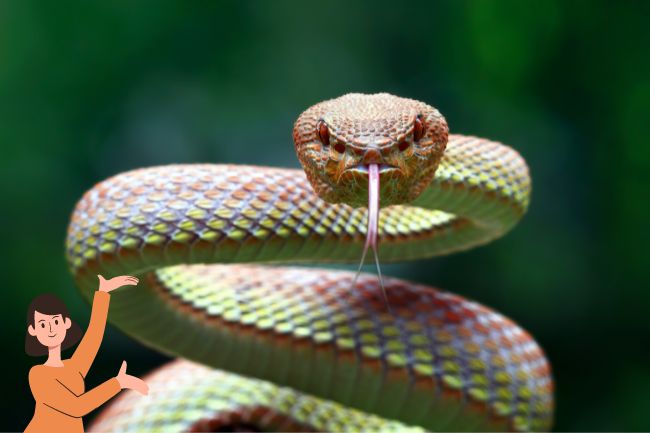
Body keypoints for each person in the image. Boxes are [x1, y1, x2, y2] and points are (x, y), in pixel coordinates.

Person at [24, 275, 148, 433]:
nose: (50, 329)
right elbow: (76, 407)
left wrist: (103, 293)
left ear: (66, 323)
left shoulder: (72, 367)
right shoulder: (38, 375)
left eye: (55, 322)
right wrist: (117, 383)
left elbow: (93, 338)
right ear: (33, 330)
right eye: (42, 324)